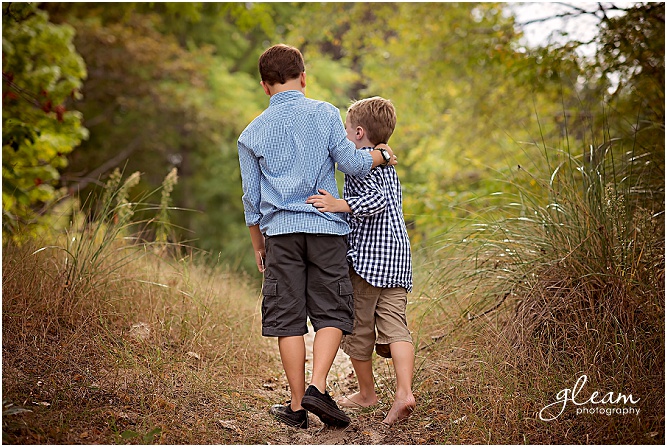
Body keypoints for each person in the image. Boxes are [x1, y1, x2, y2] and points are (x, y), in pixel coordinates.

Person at [237, 44, 397, 430]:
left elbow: (251, 200)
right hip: (326, 228)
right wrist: (383, 157)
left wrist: (259, 245)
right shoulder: (325, 112)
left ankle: (296, 408)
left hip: (280, 235)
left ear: (264, 86)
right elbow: (354, 164)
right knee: (331, 310)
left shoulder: (251, 133)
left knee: (287, 318)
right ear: (303, 77)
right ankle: (318, 387)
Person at [305, 96, 415, 425]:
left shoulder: (367, 160)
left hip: (370, 262)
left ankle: (367, 393)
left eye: (345, 130)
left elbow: (377, 200)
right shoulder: (384, 161)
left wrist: (342, 205)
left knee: (358, 330)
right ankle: (404, 393)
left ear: (358, 132)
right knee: (396, 328)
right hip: (398, 261)